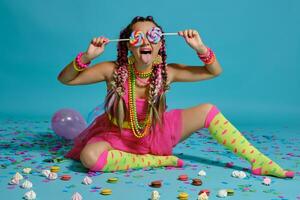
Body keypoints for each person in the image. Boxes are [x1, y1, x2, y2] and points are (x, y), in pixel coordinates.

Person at [57, 16, 294, 178]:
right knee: (89, 157)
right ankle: (159, 160)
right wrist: (88, 56)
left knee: (208, 109)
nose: (146, 42)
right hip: (117, 136)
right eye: (138, 38)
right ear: (129, 45)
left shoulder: (166, 72)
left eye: (153, 36)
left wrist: (200, 48)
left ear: (160, 43)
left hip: (158, 132)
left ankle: (259, 161)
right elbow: (65, 79)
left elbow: (214, 71)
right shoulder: (112, 70)